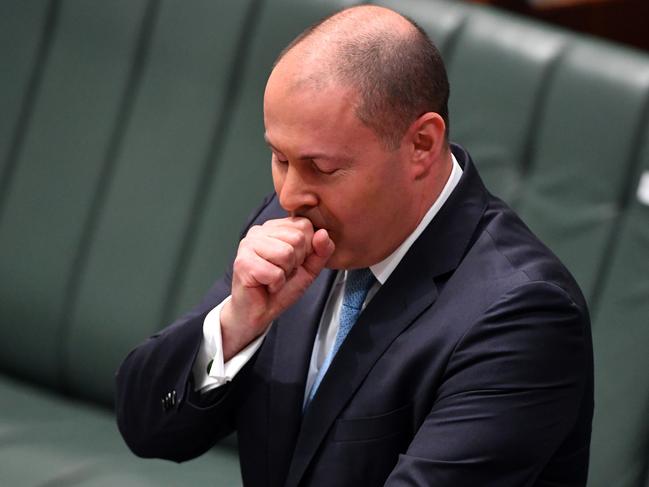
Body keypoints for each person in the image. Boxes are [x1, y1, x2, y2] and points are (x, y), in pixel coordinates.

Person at [116, 5, 593, 486]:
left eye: (321, 169)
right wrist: (237, 324)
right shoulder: (289, 226)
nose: (289, 195)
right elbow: (146, 427)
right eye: (279, 158)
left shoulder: (523, 314)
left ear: (422, 145)